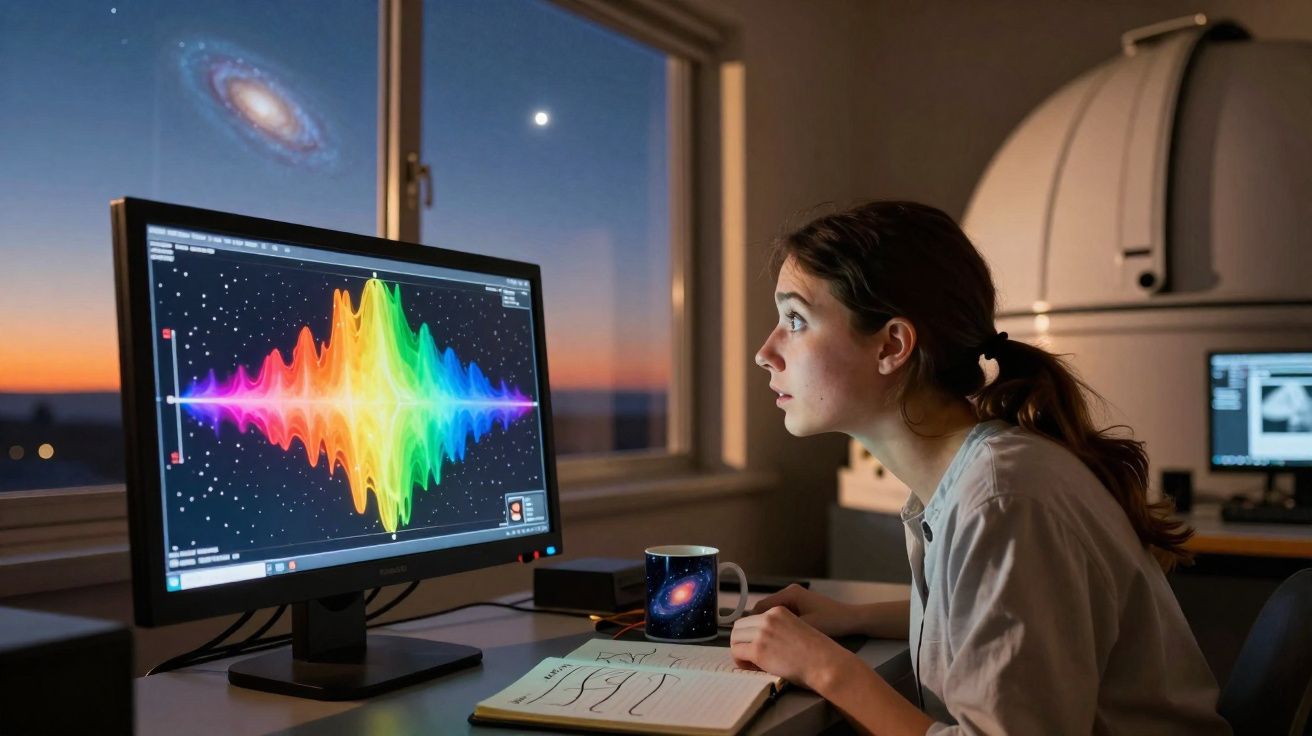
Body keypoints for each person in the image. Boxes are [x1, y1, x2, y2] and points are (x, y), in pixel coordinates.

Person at [730, 201, 1231, 735]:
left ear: (892, 345)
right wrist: (851, 617)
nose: (765, 352)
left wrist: (824, 667)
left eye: (795, 320)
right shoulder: (985, 475)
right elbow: (988, 618)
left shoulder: (1002, 498)